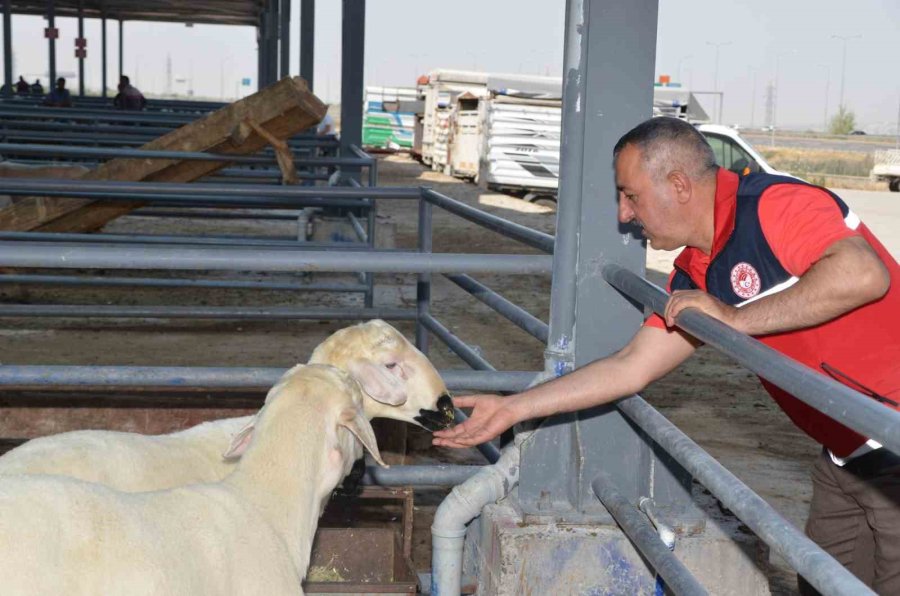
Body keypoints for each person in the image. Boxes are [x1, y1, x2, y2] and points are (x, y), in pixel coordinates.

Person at [433, 117, 900, 594]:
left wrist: (735, 319)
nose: (623, 214)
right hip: (845, 456)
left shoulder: (772, 206)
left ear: (679, 185)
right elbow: (630, 366)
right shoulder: (696, 267)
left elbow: (863, 275)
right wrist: (512, 407)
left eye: (630, 195)